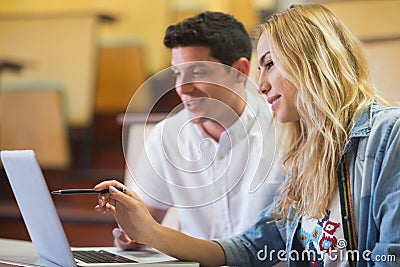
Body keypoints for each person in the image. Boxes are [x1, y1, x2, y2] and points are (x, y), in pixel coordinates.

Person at [95, 3, 400, 266]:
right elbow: (250, 248)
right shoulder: (308, 151)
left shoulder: (388, 134)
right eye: (176, 73)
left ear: (311, 62)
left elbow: (391, 256)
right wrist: (146, 231)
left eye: (269, 64)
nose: (262, 84)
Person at [113, 11, 284, 250]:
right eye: (177, 73)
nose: (182, 88)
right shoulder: (166, 137)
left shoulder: (285, 130)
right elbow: (141, 229)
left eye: (197, 72)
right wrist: (129, 232)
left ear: (240, 71)